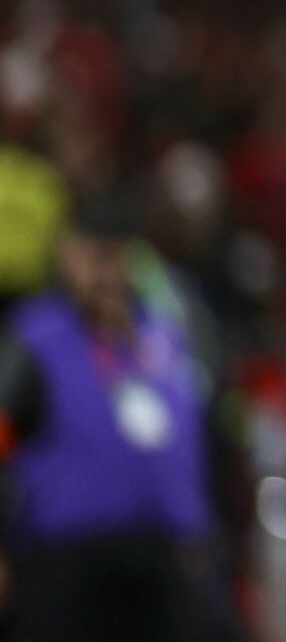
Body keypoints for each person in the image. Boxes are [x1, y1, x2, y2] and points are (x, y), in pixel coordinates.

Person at [0, 197, 219, 642]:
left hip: (162, 563)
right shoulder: (35, 337)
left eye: (113, 254)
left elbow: (193, 438)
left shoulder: (163, 334)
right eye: (90, 254)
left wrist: (197, 525)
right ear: (66, 256)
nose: (102, 270)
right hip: (66, 559)